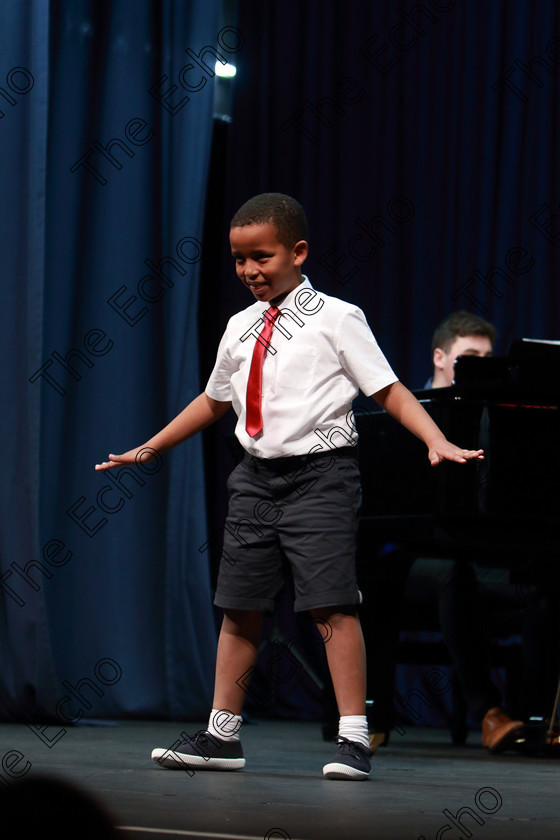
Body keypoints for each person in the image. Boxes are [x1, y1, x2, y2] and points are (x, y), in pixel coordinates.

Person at [95, 194, 483, 780]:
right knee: (239, 606)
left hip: (322, 477)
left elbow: (390, 389)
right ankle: (222, 734)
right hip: (255, 479)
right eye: (239, 259)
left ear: (297, 253)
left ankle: (354, 738)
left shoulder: (336, 317)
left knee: (331, 604)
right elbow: (214, 399)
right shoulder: (239, 326)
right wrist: (152, 445)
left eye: (262, 257)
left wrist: (434, 438)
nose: (249, 270)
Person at [364, 311, 536, 754]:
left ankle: (536, 717)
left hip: (475, 553)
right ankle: (489, 712)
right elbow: (382, 513)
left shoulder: (498, 419)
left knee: (541, 583)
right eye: (469, 356)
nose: (481, 364)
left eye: (487, 357)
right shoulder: (405, 414)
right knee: (450, 576)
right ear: (441, 358)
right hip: (406, 558)